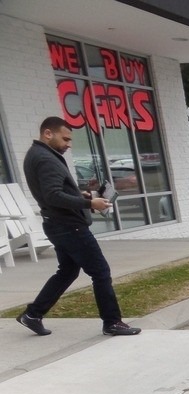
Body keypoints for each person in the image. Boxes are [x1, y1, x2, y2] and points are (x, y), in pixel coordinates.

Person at [16, 116, 141, 337]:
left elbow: (54, 192)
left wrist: (79, 194)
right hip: (69, 227)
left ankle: (33, 314)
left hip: (58, 225)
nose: (68, 144)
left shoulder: (39, 154)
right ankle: (112, 322)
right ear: (48, 133)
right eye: (65, 139)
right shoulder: (45, 158)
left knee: (67, 272)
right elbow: (53, 195)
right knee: (101, 272)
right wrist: (89, 202)